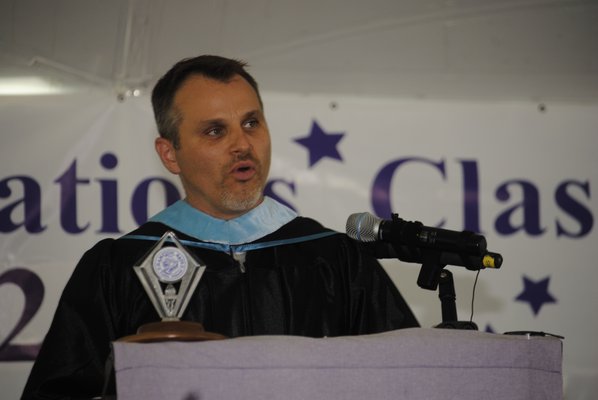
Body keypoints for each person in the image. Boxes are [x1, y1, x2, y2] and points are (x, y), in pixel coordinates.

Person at [22, 55, 418, 399]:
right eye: (215, 131)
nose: (242, 144)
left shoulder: (335, 259)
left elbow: (410, 383)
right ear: (169, 153)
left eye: (251, 123)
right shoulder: (119, 268)